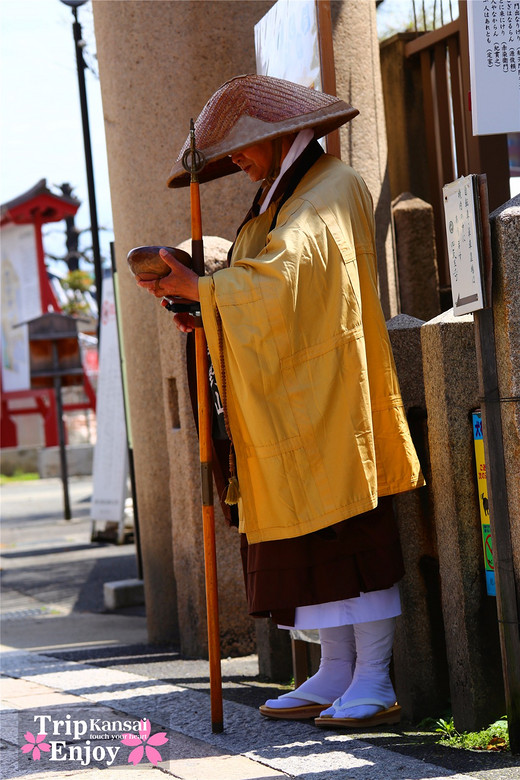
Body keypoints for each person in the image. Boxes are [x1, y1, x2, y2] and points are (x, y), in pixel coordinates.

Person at [136, 74, 424, 728]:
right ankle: (336, 670)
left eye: (244, 146)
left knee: (352, 534)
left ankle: (375, 678)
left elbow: (291, 276)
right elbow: (258, 289)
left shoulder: (332, 189)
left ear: (283, 135)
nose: (234, 161)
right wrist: (203, 308)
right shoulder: (272, 202)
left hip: (330, 395)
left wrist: (212, 292)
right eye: (226, 154)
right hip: (286, 399)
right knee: (309, 546)